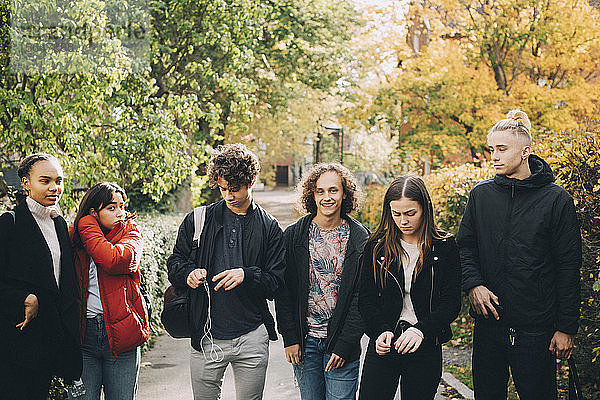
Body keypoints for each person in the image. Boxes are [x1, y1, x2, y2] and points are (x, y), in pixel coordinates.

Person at [457, 109, 582, 400]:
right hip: (489, 327)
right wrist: (473, 284)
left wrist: (566, 327)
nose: (494, 156)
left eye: (502, 149)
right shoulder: (481, 195)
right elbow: (465, 246)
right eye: (492, 149)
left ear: (525, 151)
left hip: (536, 332)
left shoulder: (556, 199)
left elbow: (568, 266)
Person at [167, 143, 285, 400]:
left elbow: (276, 283)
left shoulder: (270, 227)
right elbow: (174, 263)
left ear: (251, 181)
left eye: (235, 189)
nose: (228, 196)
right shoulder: (198, 219)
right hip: (207, 335)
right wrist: (188, 274)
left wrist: (247, 274)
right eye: (222, 189)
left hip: (252, 336)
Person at [358, 175, 461, 400]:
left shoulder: (444, 247)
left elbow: (451, 303)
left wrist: (421, 330)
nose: (403, 220)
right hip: (385, 343)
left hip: (425, 344)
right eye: (396, 214)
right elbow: (366, 299)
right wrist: (380, 330)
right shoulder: (376, 247)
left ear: (425, 209)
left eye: (410, 213)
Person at [275, 163, 369, 400]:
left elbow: (362, 298)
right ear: (312, 194)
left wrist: (345, 344)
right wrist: (291, 338)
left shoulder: (360, 239)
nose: (327, 197)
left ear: (345, 193)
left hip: (341, 346)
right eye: (320, 191)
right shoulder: (295, 236)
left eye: (333, 190)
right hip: (305, 345)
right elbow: (284, 293)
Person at [0, 153, 82, 399]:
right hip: (16, 344)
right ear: (25, 183)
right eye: (44, 181)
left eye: (58, 181)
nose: (54, 188)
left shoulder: (58, 223)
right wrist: (23, 298)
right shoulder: (9, 223)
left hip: (48, 343)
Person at [69, 182, 148, 399]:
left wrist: (85, 223)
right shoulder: (73, 237)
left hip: (122, 337)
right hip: (84, 337)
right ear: (94, 211)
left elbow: (113, 260)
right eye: (111, 208)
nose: (120, 213)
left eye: (122, 206)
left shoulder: (131, 232)